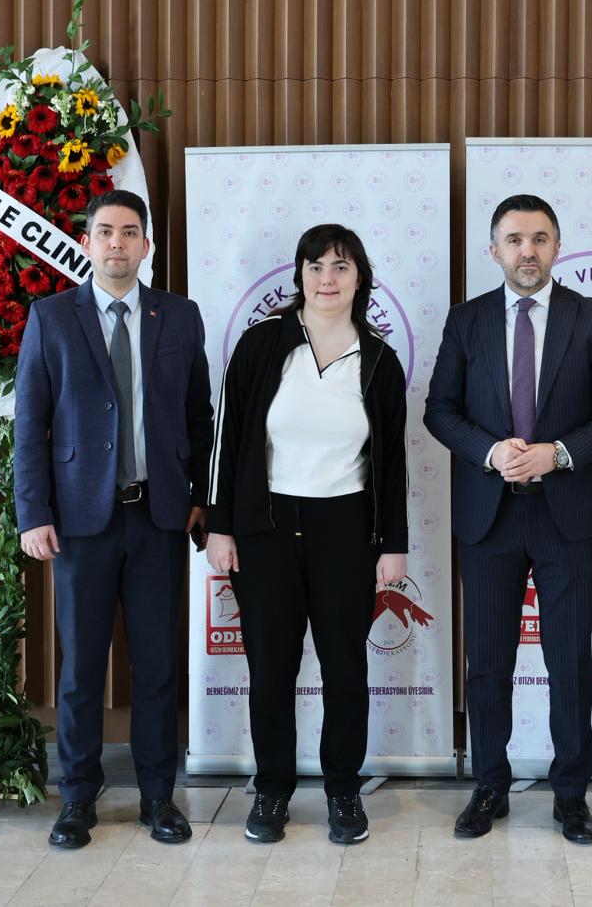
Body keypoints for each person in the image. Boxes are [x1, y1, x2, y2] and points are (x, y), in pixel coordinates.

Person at [424, 194, 592, 843]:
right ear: (493, 250)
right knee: (488, 662)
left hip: (566, 517)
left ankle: (571, 794)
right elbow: (440, 410)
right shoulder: (466, 321)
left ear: (557, 247)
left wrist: (558, 452)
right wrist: (492, 451)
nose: (527, 251)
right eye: (514, 240)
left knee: (568, 659)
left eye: (540, 239)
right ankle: (490, 786)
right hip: (489, 519)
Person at [14, 190, 213, 849]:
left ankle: (160, 797)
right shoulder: (51, 317)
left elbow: (198, 418)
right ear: (86, 243)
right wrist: (33, 512)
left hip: (158, 519)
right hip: (79, 523)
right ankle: (77, 798)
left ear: (146, 245)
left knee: (156, 667)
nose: (117, 244)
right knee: (80, 671)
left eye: (130, 232)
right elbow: (30, 425)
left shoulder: (179, 317)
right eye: (105, 232)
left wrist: (198, 499)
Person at [204, 223, 409, 845]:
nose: (327, 278)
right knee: (271, 669)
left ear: (359, 279)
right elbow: (227, 438)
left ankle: (344, 791)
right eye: (316, 266)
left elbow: (392, 460)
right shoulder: (262, 345)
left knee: (346, 667)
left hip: (346, 528)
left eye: (341, 267)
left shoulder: (378, 359)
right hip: (266, 528)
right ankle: (271, 791)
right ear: (298, 274)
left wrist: (393, 543)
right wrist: (220, 527)